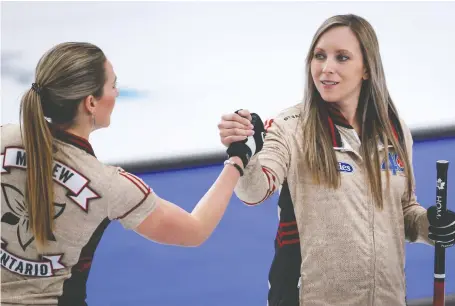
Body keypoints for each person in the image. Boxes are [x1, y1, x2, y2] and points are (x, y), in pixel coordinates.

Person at [0, 42, 265, 305]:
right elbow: (195, 230)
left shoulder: (3, 137)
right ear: (91, 102)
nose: (116, 93)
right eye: (113, 85)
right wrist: (239, 158)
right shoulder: (108, 185)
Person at [217, 14, 455, 306]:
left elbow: (403, 212)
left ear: (366, 68)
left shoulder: (394, 131)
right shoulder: (291, 127)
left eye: (341, 57)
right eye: (319, 56)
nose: (326, 68)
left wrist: (430, 225)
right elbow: (252, 192)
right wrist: (243, 153)